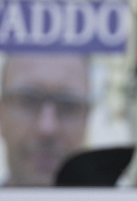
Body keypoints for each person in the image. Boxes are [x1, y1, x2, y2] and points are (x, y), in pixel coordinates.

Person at [0, 52, 90, 187]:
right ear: (1, 114)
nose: (47, 128)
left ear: (87, 119)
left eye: (68, 106)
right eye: (28, 100)